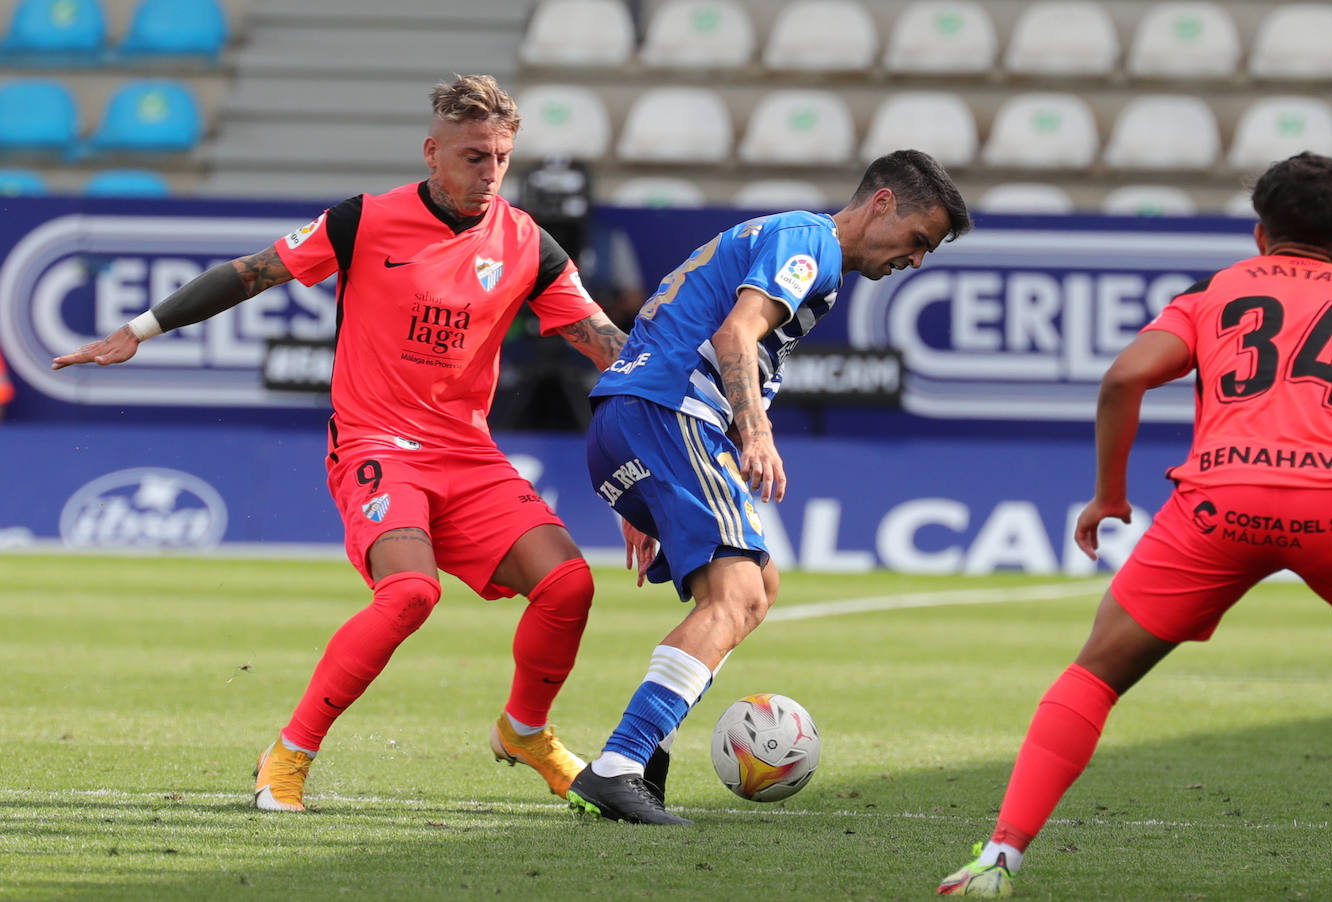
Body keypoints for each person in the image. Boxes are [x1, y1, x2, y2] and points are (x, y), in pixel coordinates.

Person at [51, 74, 629, 812]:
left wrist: (693, 381)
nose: (489, 173)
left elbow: (607, 345)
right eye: (473, 156)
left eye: (501, 158)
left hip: (468, 454)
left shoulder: (528, 245)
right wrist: (139, 331)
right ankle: (287, 756)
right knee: (411, 593)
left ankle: (525, 732)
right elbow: (251, 273)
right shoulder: (365, 220)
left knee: (569, 585)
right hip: (376, 443)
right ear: (433, 153)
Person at [936, 151, 1332, 896]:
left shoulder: (1218, 292)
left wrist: (1109, 494)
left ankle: (999, 858)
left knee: (1095, 675)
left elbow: (1124, 377)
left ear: (1260, 234)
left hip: (1217, 504)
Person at [567, 150, 973, 824]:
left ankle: (648, 760)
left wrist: (646, 488)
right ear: (880, 203)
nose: (916, 260)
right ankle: (619, 763)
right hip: (671, 414)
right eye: (918, 239)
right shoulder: (807, 243)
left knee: (760, 584)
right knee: (738, 593)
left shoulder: (795, 246)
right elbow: (736, 334)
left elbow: (671, 325)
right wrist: (754, 433)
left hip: (635, 418)